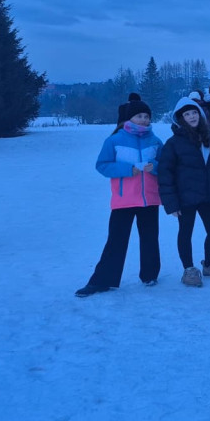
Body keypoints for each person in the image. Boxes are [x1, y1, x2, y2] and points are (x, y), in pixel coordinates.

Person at [75, 100, 163, 296]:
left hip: (149, 199)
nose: (143, 119)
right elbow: (102, 165)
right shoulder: (114, 140)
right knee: (116, 240)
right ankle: (103, 280)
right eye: (139, 116)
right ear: (129, 118)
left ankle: (150, 275)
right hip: (124, 200)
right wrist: (128, 170)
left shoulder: (155, 141)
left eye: (146, 116)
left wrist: (154, 166)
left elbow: (165, 164)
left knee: (150, 238)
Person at [159, 97, 210, 288]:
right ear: (180, 118)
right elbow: (165, 175)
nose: (191, 116)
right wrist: (171, 204)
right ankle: (189, 270)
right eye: (187, 114)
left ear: (200, 115)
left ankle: (209, 264)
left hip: (209, 196)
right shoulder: (174, 143)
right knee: (186, 232)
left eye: (194, 112)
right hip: (186, 198)